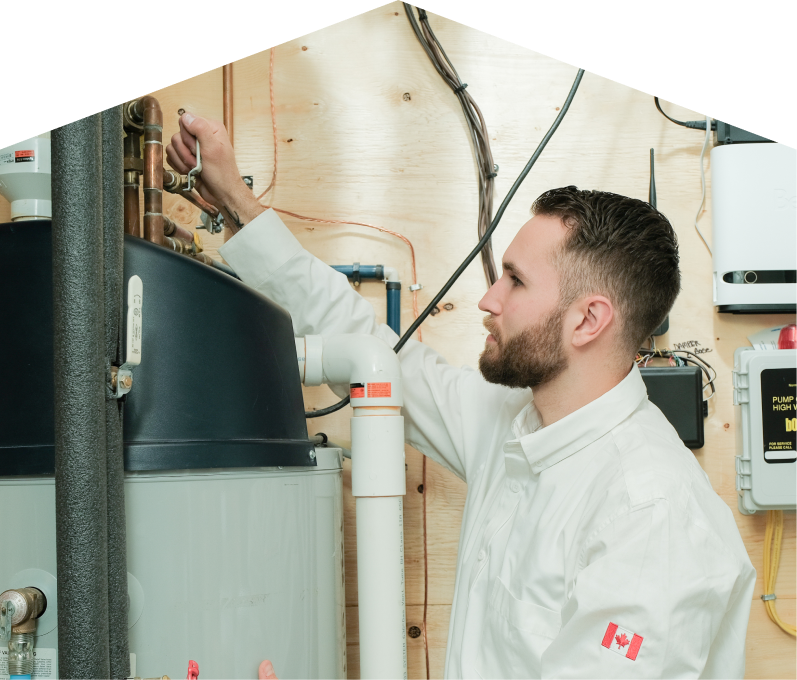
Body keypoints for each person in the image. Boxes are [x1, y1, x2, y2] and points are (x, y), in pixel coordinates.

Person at [167, 113, 756, 680]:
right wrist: (238, 205)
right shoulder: (517, 424)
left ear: (588, 321)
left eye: (515, 280)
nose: (487, 300)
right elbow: (371, 350)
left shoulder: (651, 519)